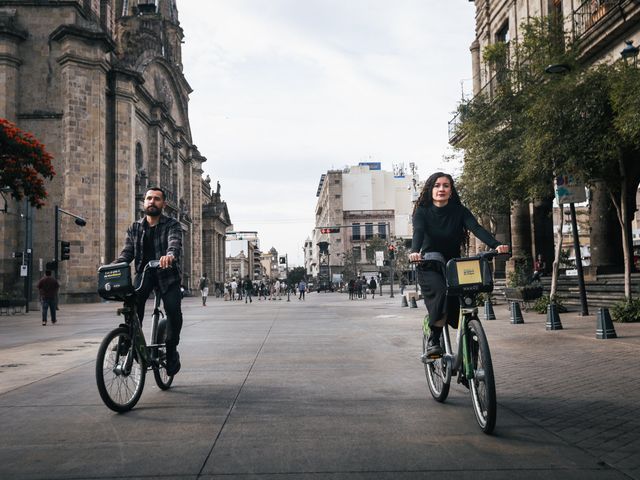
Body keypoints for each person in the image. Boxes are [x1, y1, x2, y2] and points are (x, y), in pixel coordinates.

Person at [409, 172, 509, 358]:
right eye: (437, 185)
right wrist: (415, 251)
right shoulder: (422, 211)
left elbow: (476, 228)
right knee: (441, 294)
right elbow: (419, 232)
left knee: (466, 298)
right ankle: (434, 339)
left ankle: (468, 353)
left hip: (453, 264)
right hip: (430, 264)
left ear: (451, 190)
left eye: (446, 185)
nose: (441, 189)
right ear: (430, 189)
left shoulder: (459, 210)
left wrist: (496, 245)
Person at [115, 187, 183, 376]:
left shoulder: (172, 225)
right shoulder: (135, 227)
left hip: (167, 275)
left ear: (164, 204)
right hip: (144, 274)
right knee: (133, 304)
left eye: (157, 199)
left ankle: (171, 351)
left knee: (173, 310)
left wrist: (170, 256)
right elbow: (127, 252)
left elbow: (174, 243)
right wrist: (118, 264)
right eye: (149, 198)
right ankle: (130, 341)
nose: (152, 202)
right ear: (144, 202)